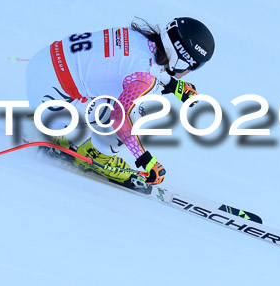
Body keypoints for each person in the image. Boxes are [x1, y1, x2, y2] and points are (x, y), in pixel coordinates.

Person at [25, 17, 215, 186]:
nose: (190, 72)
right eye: (193, 66)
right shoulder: (144, 76)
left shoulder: (140, 37)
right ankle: (94, 156)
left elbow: (139, 66)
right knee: (135, 112)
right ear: (182, 59)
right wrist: (145, 159)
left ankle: (60, 126)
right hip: (50, 102)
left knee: (120, 91)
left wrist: (173, 84)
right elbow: (119, 117)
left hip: (42, 67)